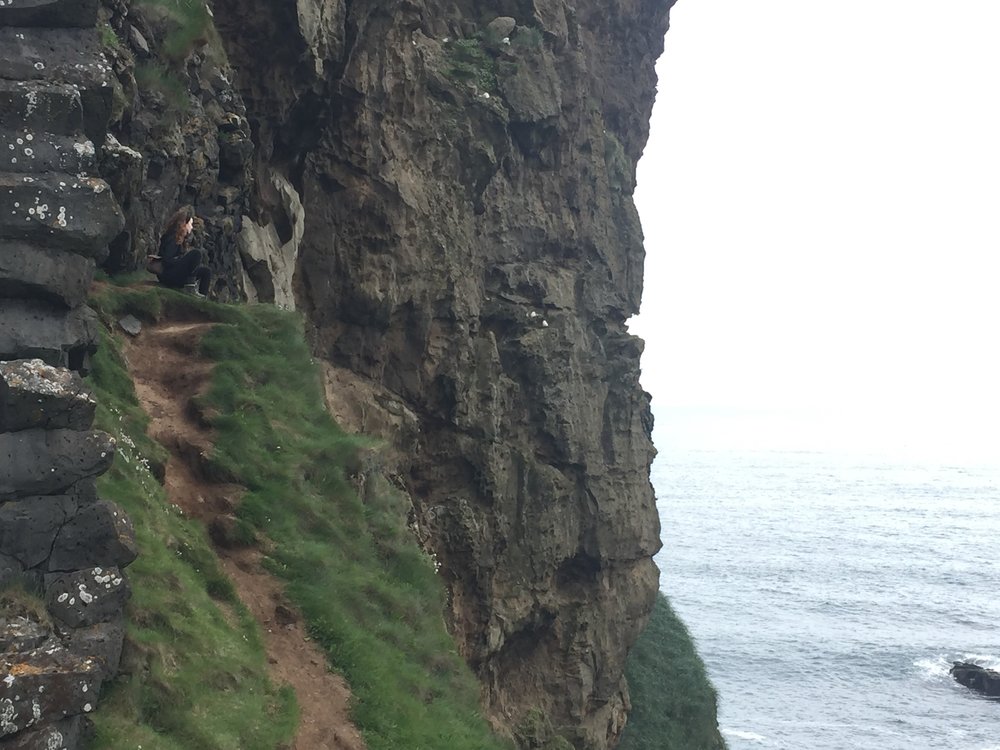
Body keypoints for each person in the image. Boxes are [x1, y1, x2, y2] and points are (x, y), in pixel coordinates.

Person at [155, 206, 211, 297]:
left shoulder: (180, 238)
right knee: (196, 254)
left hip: (174, 272)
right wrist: (182, 260)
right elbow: (167, 261)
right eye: (190, 223)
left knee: (206, 271)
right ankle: (190, 286)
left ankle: (203, 299)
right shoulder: (172, 237)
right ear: (184, 223)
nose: (192, 227)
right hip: (168, 275)